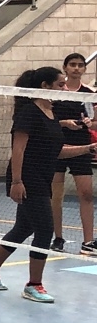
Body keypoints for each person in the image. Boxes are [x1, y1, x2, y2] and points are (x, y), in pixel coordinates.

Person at [0, 67, 97, 303]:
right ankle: (34, 285)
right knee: (44, 229)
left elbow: (56, 152)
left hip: (42, 175)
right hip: (27, 177)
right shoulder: (29, 113)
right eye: (60, 84)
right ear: (45, 86)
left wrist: (88, 148)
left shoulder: (51, 114)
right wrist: (17, 181)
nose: (64, 88)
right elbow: (17, 149)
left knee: (23, 228)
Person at [49, 52, 95, 253]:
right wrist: (64, 123)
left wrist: (88, 123)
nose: (77, 68)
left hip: (82, 147)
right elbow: (47, 121)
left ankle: (88, 242)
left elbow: (95, 121)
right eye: (73, 65)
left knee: (86, 194)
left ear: (84, 69)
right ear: (65, 68)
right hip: (56, 147)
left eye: (80, 65)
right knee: (55, 195)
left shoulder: (89, 93)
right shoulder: (56, 92)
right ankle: (58, 238)